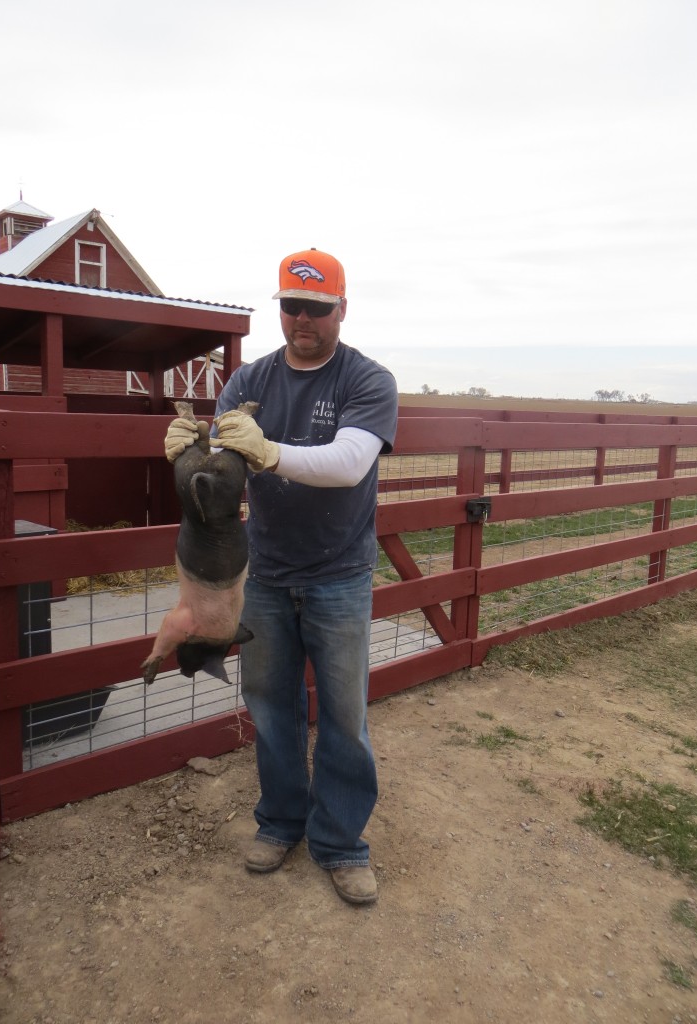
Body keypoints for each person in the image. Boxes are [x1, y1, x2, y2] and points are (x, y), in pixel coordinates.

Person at [165, 248, 398, 904]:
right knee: (271, 710)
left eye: (317, 309)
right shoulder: (247, 383)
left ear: (341, 310)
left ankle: (342, 842)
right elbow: (221, 479)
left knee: (346, 716)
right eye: (291, 307)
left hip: (339, 576)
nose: (303, 320)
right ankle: (280, 822)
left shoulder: (368, 381)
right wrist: (191, 457)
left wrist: (266, 451)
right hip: (264, 576)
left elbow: (351, 462)